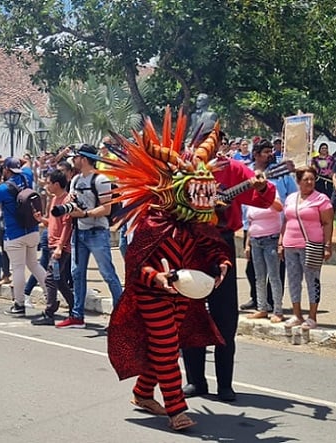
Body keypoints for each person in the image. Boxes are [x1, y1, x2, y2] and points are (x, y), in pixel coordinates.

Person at [105, 113, 232, 431]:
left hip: (183, 294)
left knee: (167, 346)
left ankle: (142, 393)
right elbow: (137, 267)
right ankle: (176, 409)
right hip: (152, 294)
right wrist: (158, 278)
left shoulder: (196, 224)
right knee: (164, 345)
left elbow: (212, 248)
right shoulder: (151, 223)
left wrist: (222, 264)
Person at [182, 128, 276, 402]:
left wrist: (261, 185)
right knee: (191, 313)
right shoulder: (182, 167)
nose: (210, 146)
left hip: (221, 244)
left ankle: (225, 383)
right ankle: (196, 381)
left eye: (215, 140)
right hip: (190, 245)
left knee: (224, 317)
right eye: (204, 140)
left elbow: (264, 197)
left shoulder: (233, 168)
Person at [55, 144, 124, 329]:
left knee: (108, 274)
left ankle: (120, 317)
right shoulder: (76, 180)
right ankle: (77, 315)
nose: (73, 160)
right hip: (79, 232)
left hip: (97, 233)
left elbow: (106, 208)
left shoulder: (101, 180)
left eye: (76, 157)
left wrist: (84, 214)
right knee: (77, 274)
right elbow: (71, 200)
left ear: (84, 159)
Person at [0, 156, 48, 317]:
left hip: (14, 233)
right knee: (34, 264)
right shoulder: (27, 177)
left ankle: (19, 304)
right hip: (32, 229)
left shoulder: (3, 188)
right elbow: (27, 162)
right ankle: (51, 296)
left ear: (6, 170)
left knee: (18, 268)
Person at [241, 140, 297, 311]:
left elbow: (292, 196)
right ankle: (257, 299)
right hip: (250, 225)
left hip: (277, 226)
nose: (270, 154)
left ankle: (274, 302)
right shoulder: (246, 171)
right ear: (256, 154)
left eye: (271, 151)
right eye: (266, 151)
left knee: (276, 268)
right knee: (252, 268)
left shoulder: (281, 173)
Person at [279, 167, 334, 329]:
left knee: (312, 280)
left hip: (311, 245)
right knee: (294, 280)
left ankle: (312, 315)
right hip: (290, 244)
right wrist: (281, 242)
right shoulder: (291, 198)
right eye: (306, 179)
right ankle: (297, 314)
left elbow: (327, 223)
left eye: (312, 179)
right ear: (298, 181)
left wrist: (328, 245)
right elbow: (285, 221)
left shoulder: (321, 199)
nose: (309, 182)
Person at [30, 170, 75, 325]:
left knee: (50, 277)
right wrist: (41, 219)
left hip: (60, 247)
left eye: (49, 182)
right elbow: (53, 222)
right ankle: (74, 308)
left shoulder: (66, 200)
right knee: (59, 279)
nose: (47, 185)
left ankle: (49, 312)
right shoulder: (54, 199)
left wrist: (60, 247)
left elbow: (67, 226)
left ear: (56, 184)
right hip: (52, 244)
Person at [244, 194, 284, 322]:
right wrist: (247, 244)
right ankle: (262, 308)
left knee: (273, 276)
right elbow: (250, 223)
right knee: (259, 277)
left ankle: (278, 310)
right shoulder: (252, 198)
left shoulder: (272, 194)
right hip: (255, 240)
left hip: (271, 239)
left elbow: (279, 208)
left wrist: (267, 195)